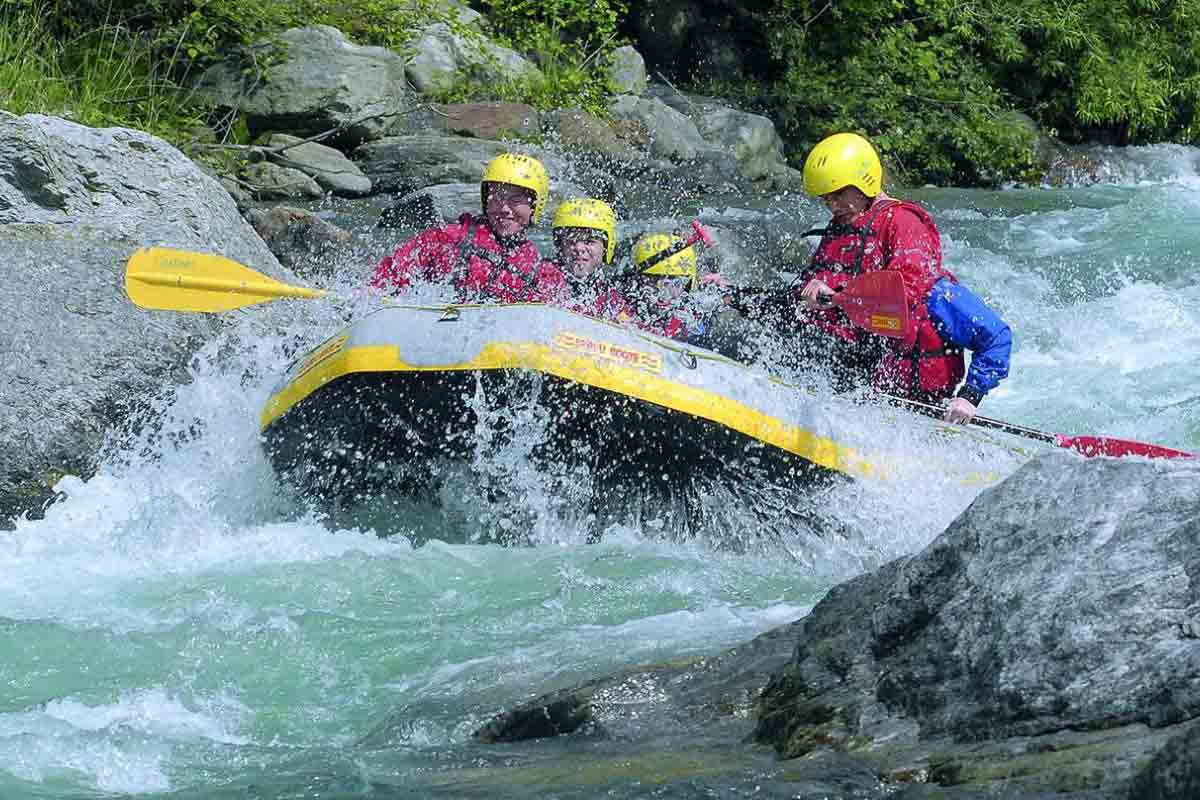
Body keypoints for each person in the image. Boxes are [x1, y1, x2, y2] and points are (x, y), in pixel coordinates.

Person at [726, 133, 1011, 423]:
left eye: (838, 195)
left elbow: (997, 337)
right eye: (826, 199)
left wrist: (969, 396)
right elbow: (796, 306)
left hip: (920, 410)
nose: (832, 205)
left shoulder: (934, 295)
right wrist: (731, 295)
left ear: (865, 182)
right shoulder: (844, 240)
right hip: (857, 395)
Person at [369, 153, 563, 302]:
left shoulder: (539, 269)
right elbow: (386, 277)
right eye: (496, 197)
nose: (504, 208)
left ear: (534, 207)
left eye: (515, 200)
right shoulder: (446, 238)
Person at [543, 198, 631, 322]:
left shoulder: (611, 298)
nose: (579, 248)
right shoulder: (541, 279)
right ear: (560, 246)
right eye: (571, 240)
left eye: (589, 241)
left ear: (606, 248)